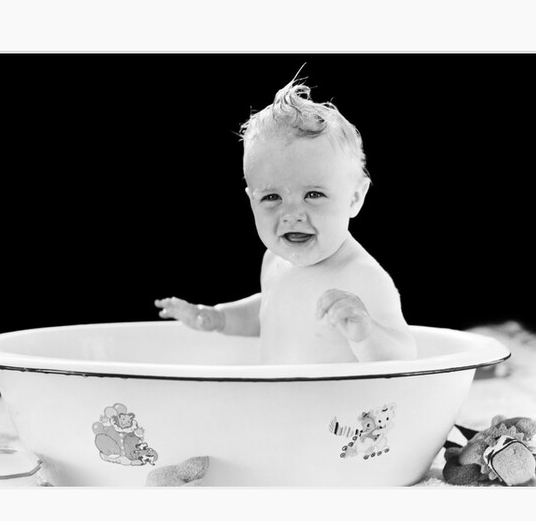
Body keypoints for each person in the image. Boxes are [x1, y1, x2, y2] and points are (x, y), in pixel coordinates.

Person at [154, 77, 417, 364]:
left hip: (336, 408)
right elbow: (269, 310)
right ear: (251, 200)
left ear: (355, 198)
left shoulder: (362, 277)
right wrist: (217, 317)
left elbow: (404, 357)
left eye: (313, 194)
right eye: (271, 197)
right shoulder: (274, 261)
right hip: (280, 405)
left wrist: (366, 332)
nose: (291, 214)